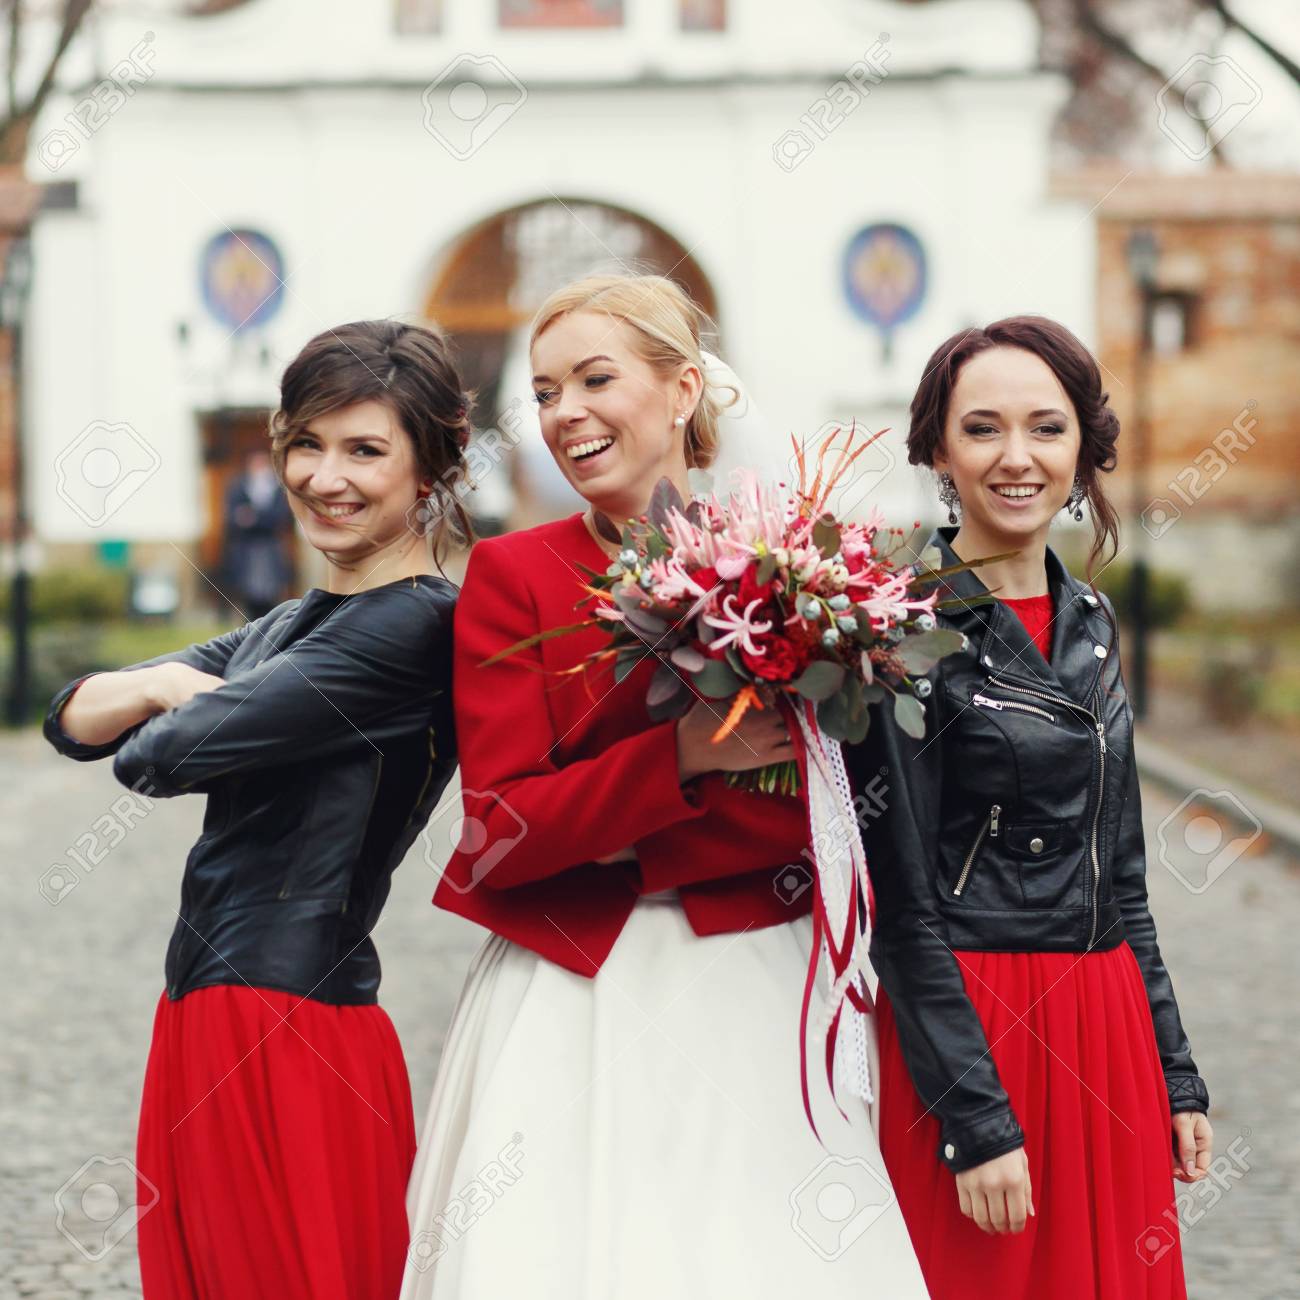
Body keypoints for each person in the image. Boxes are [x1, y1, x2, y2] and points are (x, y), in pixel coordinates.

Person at [400, 274, 926, 1298]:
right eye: (545, 392)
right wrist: (682, 759)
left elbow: (827, 816)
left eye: (595, 379)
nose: (565, 413)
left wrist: (612, 826)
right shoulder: (513, 577)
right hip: (575, 990)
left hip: (765, 982)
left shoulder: (802, 574)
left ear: (683, 389)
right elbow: (501, 832)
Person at [44, 320, 470, 1300]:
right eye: (307, 443)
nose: (326, 476)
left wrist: (164, 695)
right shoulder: (290, 625)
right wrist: (169, 688)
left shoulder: (414, 624)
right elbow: (71, 717)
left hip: (288, 1025)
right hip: (210, 1011)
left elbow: (158, 755)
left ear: (430, 472)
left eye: (365, 449)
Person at [850, 316, 1213, 1299]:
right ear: (938, 450)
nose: (1017, 457)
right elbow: (900, 904)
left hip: (1107, 1024)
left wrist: (1173, 1070)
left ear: (1082, 448)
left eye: (1046, 428)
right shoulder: (899, 629)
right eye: (982, 429)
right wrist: (974, 1118)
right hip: (976, 1025)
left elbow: (1122, 875)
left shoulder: (1091, 620)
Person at [220, 448, 295, 618]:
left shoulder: (277, 488)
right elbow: (231, 518)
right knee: (249, 596)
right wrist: (255, 518)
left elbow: (279, 518)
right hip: (246, 550)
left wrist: (253, 517)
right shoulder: (238, 485)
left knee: (270, 594)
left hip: (269, 548)